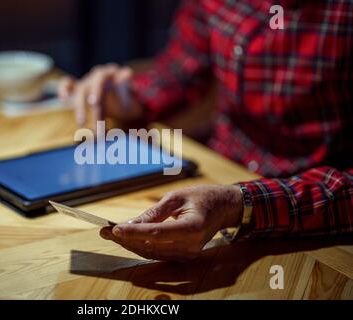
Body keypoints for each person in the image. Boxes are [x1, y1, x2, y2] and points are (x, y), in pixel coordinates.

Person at [58, 0, 353, 261]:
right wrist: (127, 98)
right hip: (214, 181)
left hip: (320, 224)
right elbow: (180, 70)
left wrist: (241, 203)